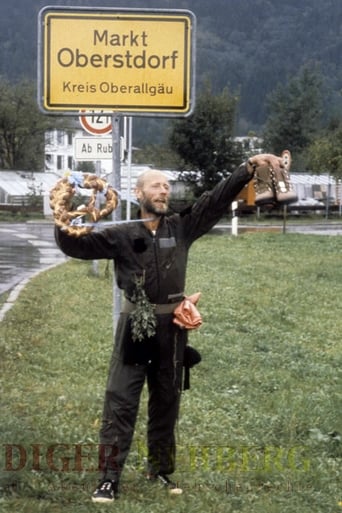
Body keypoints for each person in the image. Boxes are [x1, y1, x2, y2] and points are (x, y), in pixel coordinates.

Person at [54, 153, 286, 503]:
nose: (163, 191)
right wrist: (60, 214)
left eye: (166, 186)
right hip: (136, 325)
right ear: (139, 193)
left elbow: (215, 200)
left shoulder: (182, 227)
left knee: (166, 400)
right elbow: (75, 244)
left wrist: (247, 169)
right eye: (155, 186)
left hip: (173, 328)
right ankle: (108, 478)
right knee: (120, 401)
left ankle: (159, 469)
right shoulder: (120, 234)